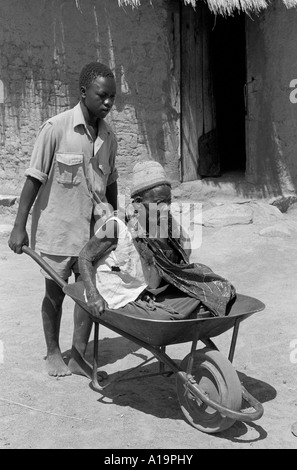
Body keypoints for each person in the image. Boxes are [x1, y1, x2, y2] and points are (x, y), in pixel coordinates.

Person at [69, 160, 236, 379]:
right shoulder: (116, 226)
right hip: (121, 294)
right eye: (159, 202)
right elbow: (85, 257)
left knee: (213, 290)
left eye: (169, 201)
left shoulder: (165, 224)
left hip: (149, 290)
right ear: (138, 203)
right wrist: (93, 294)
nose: (166, 207)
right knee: (171, 318)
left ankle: (172, 318)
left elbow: (180, 259)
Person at [8, 61, 118, 377]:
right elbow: (33, 179)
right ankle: (53, 352)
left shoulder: (109, 137)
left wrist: (116, 223)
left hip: (92, 237)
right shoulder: (55, 129)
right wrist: (19, 226)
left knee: (87, 295)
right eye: (102, 96)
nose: (108, 103)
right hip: (57, 231)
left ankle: (79, 357)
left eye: (112, 97)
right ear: (83, 93)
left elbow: (111, 184)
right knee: (55, 295)